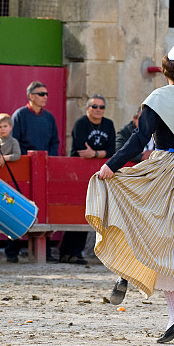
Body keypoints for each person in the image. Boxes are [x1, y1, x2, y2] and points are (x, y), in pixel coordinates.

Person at [86, 40, 174, 343]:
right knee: (173, 240)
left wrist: (112, 164)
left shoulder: (158, 98)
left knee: (153, 230)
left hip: (164, 168)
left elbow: (139, 139)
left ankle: (125, 273)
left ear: (164, 71)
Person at [8, 80, 60, 262]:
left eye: (46, 94)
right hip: (23, 169)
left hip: (43, 169)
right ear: (31, 96)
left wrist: (49, 160)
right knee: (18, 207)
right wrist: (25, 161)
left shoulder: (49, 118)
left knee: (44, 209)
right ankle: (12, 250)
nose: (45, 97)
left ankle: (44, 251)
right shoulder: (20, 115)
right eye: (41, 94)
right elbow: (14, 141)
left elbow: (55, 141)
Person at [62, 95, 117, 264]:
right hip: (77, 173)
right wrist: (101, 153)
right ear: (88, 108)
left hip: (100, 173)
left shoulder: (108, 124)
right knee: (76, 211)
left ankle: (77, 253)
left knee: (92, 211)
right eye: (94, 106)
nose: (98, 110)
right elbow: (80, 149)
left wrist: (94, 154)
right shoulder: (81, 124)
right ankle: (67, 252)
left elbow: (112, 149)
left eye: (101, 107)